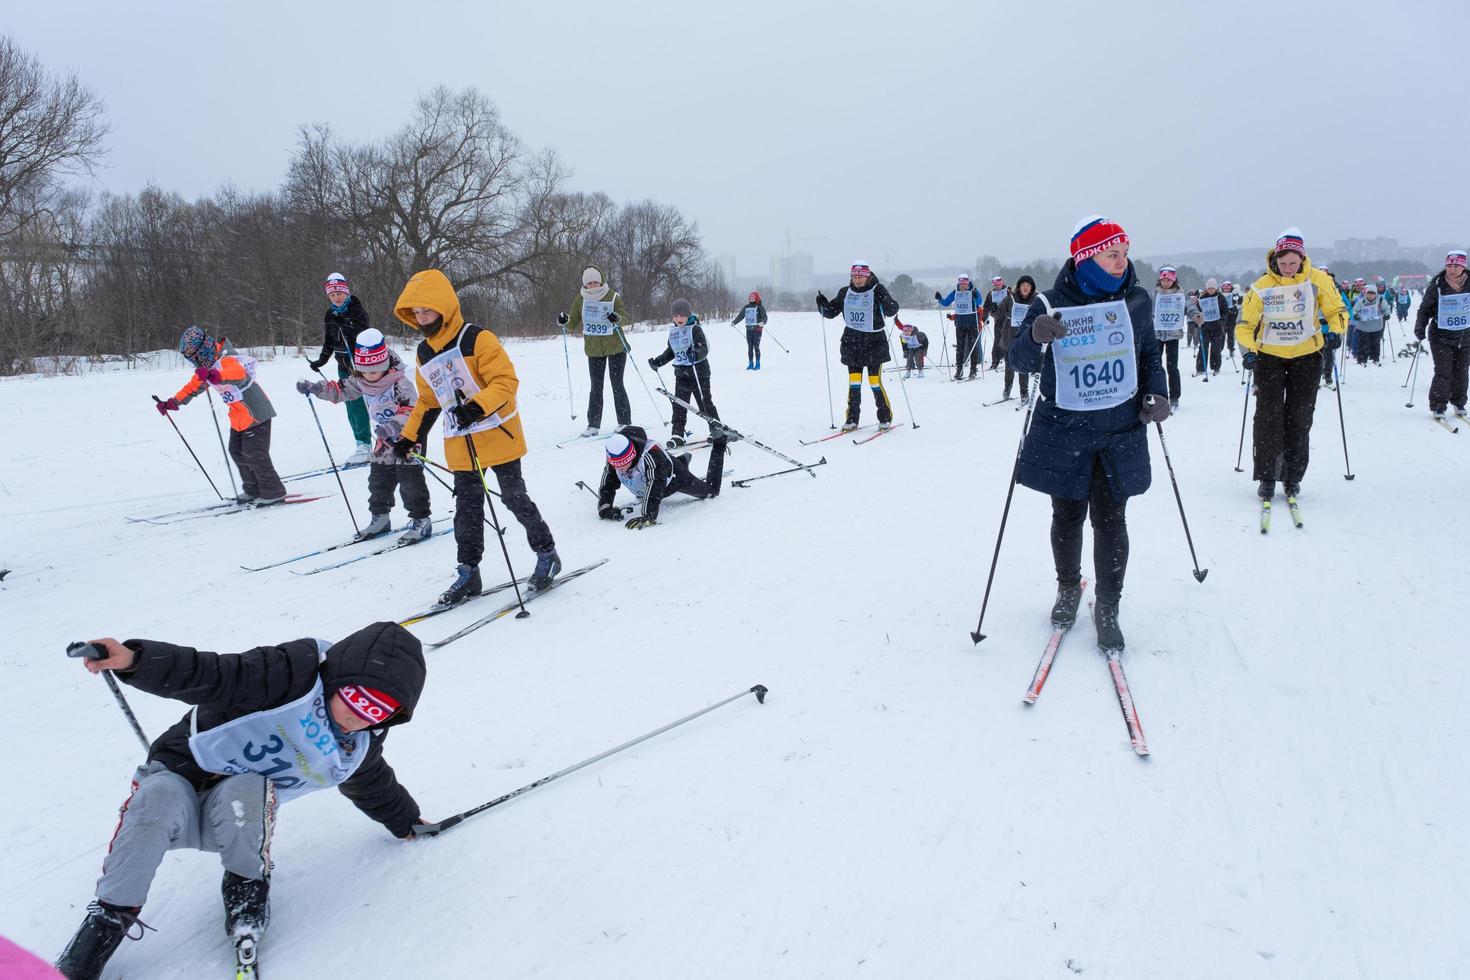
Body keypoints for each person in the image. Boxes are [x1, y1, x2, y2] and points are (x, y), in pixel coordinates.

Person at [53, 624, 428, 980]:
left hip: (236, 817)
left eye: (378, 712)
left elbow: (372, 781)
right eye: (357, 700)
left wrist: (405, 820)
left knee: (248, 788)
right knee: (158, 800)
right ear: (339, 679)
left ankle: (246, 894)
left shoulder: (354, 746)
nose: (359, 718)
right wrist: (135, 660)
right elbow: (215, 674)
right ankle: (107, 921)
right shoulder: (290, 674)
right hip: (179, 776)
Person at [1007, 216, 1168, 652]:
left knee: (1112, 519)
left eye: (1123, 254)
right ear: (1086, 259)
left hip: (1120, 429)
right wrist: (1036, 336)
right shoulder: (1050, 301)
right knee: (1068, 515)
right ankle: (1067, 587)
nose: (1121, 262)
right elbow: (1019, 360)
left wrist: (1158, 391)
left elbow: (1149, 351)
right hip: (1065, 429)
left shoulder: (1136, 299)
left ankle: (1109, 604)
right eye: (1111, 254)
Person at [392, 269, 560, 606]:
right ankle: (469, 572)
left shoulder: (477, 339)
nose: (423, 318)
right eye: (417, 313)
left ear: (445, 307)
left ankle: (547, 554)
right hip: (460, 442)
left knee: (514, 497)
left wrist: (476, 407)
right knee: (467, 509)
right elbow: (428, 400)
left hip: (498, 433)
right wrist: (409, 437)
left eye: (428, 310)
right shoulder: (424, 353)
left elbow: (505, 382)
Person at [1235, 229, 1347, 502]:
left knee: (1299, 417)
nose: (1287, 268)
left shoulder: (1318, 280)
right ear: (1274, 259)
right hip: (1270, 357)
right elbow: (1245, 325)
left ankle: (1293, 476)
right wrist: (1249, 351)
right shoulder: (1262, 286)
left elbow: (1337, 311)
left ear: (1302, 258)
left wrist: (1336, 331)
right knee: (1268, 418)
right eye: (1282, 263)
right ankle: (1267, 476)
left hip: (1307, 357)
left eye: (1293, 263)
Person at [297, 328, 433, 544]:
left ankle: (421, 519)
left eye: (374, 371)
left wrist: (392, 426)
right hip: (384, 439)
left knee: (409, 480)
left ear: (385, 365)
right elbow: (339, 390)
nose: (369, 375)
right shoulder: (361, 380)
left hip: (408, 437)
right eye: (365, 371)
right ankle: (380, 517)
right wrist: (315, 388)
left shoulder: (400, 382)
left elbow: (412, 411)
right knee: (379, 478)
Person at [156, 326, 286, 506]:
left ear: (202, 349)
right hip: (239, 417)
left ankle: (273, 491)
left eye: (193, 355)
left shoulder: (227, 358)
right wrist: (172, 402)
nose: (193, 360)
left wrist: (215, 375)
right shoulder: (208, 366)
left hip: (256, 412)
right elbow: (193, 387)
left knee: (254, 454)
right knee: (237, 451)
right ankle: (253, 490)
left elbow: (238, 374)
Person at [820, 262, 900, 429]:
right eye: (854, 277)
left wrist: (883, 296)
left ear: (868, 276)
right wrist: (822, 305)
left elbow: (892, 310)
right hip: (852, 342)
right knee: (854, 383)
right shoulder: (845, 292)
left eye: (861, 277)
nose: (857, 280)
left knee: (874, 382)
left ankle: (885, 418)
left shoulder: (877, 289)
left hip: (874, 343)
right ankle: (852, 419)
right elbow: (831, 312)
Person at [596, 426, 726, 528]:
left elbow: (655, 485)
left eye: (624, 464)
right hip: (656, 472)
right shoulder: (614, 454)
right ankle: (682, 460)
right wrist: (605, 507)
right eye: (616, 465)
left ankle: (720, 443)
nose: (620, 468)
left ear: (633, 455)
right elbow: (608, 481)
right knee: (654, 472)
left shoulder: (651, 454)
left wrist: (648, 516)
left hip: (674, 479)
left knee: (710, 492)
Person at [307, 273, 373, 464]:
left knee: (360, 404)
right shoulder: (330, 314)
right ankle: (361, 443)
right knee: (350, 406)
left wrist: (345, 325)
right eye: (332, 294)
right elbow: (329, 340)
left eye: (339, 293)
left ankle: (367, 444)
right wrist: (321, 360)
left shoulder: (356, 310)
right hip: (342, 364)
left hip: (359, 365)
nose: (336, 297)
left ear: (345, 291)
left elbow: (364, 334)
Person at [559, 266, 631, 437]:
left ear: (601, 281)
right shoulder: (580, 299)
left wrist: (616, 318)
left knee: (617, 385)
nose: (593, 285)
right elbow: (572, 322)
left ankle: (624, 422)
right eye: (589, 283)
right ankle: (593, 425)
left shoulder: (612, 296)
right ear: (585, 284)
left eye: (595, 282)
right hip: (594, 350)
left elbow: (625, 317)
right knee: (596, 387)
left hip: (616, 348)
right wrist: (564, 320)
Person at [649, 298, 718, 448]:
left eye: (681, 315)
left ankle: (716, 428)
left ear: (688, 315)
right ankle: (677, 434)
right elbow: (671, 351)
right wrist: (658, 362)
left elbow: (703, 348)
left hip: (699, 374)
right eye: (675, 316)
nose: (678, 319)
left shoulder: (695, 329)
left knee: (704, 403)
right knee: (679, 404)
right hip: (681, 375)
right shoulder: (674, 332)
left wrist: (696, 354)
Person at [1414, 249, 1470, 422]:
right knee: (1443, 371)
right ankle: (1439, 405)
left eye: (1456, 266)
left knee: (1462, 371)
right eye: (1449, 265)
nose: (1452, 269)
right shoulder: (1437, 284)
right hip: (1440, 336)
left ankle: (1459, 402)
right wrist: (1420, 327)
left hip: (1465, 336)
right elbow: (1425, 309)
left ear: (1463, 267)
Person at [935, 273, 983, 379]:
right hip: (960, 323)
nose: (963, 286)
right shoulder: (955, 292)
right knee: (960, 348)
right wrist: (939, 298)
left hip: (972, 322)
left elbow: (980, 302)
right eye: (961, 284)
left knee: (972, 347)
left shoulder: (973, 290)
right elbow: (946, 303)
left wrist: (976, 296)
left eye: (965, 284)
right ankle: (959, 371)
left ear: (968, 283)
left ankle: (973, 370)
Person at [1153, 267, 1187, 410]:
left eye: (1168, 280)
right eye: (1163, 279)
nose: (1165, 282)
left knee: (1172, 367)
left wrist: (1197, 316)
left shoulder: (1179, 294)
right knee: (1156, 366)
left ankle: (1174, 397)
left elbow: (1189, 307)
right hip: (1157, 334)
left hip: (1173, 334)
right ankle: (1158, 395)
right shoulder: (1155, 294)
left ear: (1173, 280)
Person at [1000, 275, 1036, 403]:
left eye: (1028, 285)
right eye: (1023, 285)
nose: (1025, 287)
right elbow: (1000, 311)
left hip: (1026, 337)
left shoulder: (1035, 300)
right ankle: (1007, 388)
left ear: (1031, 288)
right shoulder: (1010, 298)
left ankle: (1024, 393)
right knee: (1009, 364)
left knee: (1023, 365)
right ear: (1019, 287)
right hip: (1010, 335)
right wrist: (995, 310)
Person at [1196, 278, 1228, 378]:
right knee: (1203, 347)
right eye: (1209, 288)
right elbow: (1198, 310)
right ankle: (1200, 368)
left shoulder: (1220, 297)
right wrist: (1198, 318)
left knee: (1216, 347)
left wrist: (1222, 321)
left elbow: (1225, 311)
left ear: (1216, 288)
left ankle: (1216, 367)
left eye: (1212, 288)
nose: (1210, 290)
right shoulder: (1202, 297)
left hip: (1217, 326)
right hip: (1205, 325)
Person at [1351, 284, 1390, 366]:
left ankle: (1375, 358)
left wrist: (1387, 314)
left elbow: (1386, 308)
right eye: (1369, 294)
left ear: (1375, 294)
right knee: (1364, 343)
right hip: (1364, 326)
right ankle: (1362, 359)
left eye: (1372, 294)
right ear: (1366, 294)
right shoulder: (1362, 301)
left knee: (1376, 343)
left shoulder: (1380, 300)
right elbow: (1355, 309)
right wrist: (1356, 315)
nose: (1371, 296)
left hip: (1377, 326)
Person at [730, 291, 768, 369]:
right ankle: (750, 363)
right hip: (749, 330)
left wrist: (762, 322)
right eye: (750, 298)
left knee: (756, 346)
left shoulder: (760, 307)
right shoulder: (746, 307)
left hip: (757, 330)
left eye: (753, 298)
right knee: (750, 346)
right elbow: (740, 316)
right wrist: (734, 322)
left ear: (756, 298)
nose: (751, 299)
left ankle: (757, 363)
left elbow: (765, 317)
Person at [983, 275, 1012, 370]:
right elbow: (986, 306)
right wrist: (985, 316)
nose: (997, 287)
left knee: (1008, 341)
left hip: (1009, 320)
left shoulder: (1008, 291)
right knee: (997, 341)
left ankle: (1010, 361)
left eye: (998, 285)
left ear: (1002, 283)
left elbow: (1015, 302)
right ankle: (995, 362)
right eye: (995, 285)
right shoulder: (991, 293)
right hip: (998, 320)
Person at [1221, 280, 1240, 358]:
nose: (1226, 289)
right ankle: (1219, 349)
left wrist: (1233, 310)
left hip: (1231, 319)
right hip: (1223, 319)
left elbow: (1238, 306)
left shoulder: (1235, 295)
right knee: (1221, 335)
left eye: (1228, 288)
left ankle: (1231, 350)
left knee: (1230, 336)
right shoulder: (1220, 295)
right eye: (1225, 288)